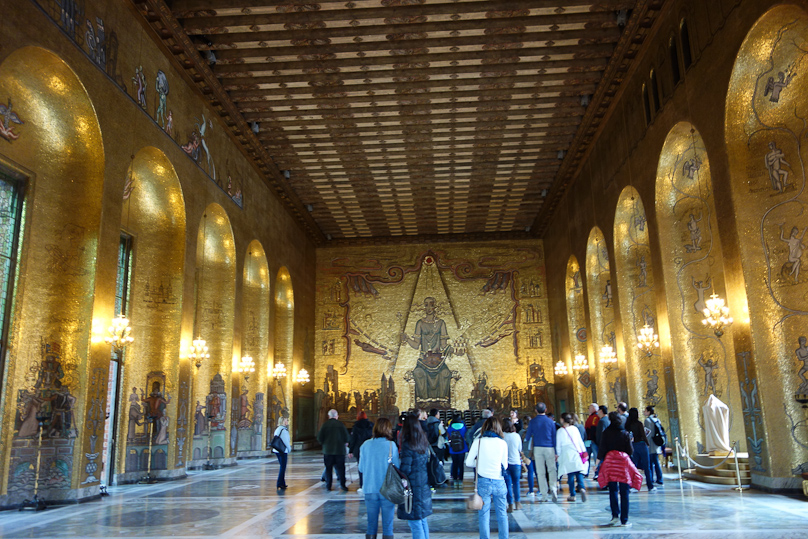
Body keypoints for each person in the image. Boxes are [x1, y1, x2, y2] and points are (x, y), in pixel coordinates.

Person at [466, 416, 509, 539]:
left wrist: (479, 463)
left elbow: (468, 462)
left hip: (483, 481)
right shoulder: (502, 443)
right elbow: (505, 465)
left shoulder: (478, 441)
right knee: (502, 514)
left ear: (484, 427)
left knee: (484, 514)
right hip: (499, 481)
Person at [597, 411, 642, 527]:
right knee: (624, 492)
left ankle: (615, 516)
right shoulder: (624, 433)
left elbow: (602, 448)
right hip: (622, 464)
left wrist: (597, 462)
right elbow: (630, 451)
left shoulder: (606, 433)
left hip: (610, 464)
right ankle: (624, 520)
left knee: (612, 491)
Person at [358, 417, 399, 539]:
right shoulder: (391, 446)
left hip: (370, 488)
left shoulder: (365, 445)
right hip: (388, 489)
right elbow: (397, 467)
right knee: (388, 525)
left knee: (371, 524)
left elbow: (361, 468)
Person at [398, 412, 433, 539]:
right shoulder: (423, 441)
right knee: (422, 519)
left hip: (413, 488)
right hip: (423, 484)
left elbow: (406, 469)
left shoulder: (408, 444)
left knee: (415, 522)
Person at [524, 402, 557, 502]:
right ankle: (554, 489)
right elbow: (554, 436)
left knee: (540, 472)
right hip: (550, 447)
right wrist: (556, 451)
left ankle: (544, 495)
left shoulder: (533, 422)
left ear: (536, 410)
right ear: (546, 410)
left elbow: (527, 436)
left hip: (538, 448)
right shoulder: (550, 421)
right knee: (552, 469)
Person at [556, 413, 587, 502]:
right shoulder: (574, 429)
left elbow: (558, 446)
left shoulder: (560, 431)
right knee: (578, 471)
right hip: (576, 451)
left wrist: (558, 455)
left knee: (570, 474)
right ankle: (582, 488)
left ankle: (572, 495)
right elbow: (580, 441)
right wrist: (584, 451)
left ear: (562, 420)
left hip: (566, 453)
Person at [317, 409, 350, 491]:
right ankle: (343, 485)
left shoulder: (325, 425)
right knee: (341, 469)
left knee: (328, 469)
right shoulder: (340, 424)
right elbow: (347, 437)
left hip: (328, 451)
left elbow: (319, 438)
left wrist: (324, 445)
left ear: (329, 416)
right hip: (339, 451)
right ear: (336, 416)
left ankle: (328, 485)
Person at [626, 408, 655, 492]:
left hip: (633, 446)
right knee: (647, 467)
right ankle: (650, 485)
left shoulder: (627, 425)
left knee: (633, 467)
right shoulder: (639, 424)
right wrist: (647, 443)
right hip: (642, 445)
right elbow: (643, 435)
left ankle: (632, 485)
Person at [349, 411, 374, 493]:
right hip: (370, 448)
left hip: (359, 449)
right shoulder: (371, 425)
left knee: (361, 467)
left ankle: (362, 485)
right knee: (370, 467)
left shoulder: (356, 426)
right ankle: (371, 484)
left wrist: (350, 450)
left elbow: (353, 439)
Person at [501, 418, 523, 511]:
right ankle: (518, 503)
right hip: (516, 462)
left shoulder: (502, 436)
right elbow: (520, 449)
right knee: (516, 483)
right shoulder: (517, 436)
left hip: (506, 463)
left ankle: (510, 505)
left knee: (508, 485)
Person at [644, 406, 664, 486]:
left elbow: (648, 433)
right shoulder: (657, 419)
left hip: (651, 443)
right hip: (657, 443)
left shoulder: (647, 420)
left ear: (648, 412)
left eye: (645, 411)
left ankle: (651, 478)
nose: (644, 412)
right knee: (656, 462)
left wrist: (646, 443)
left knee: (651, 462)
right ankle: (659, 478)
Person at [446, 413, 468, 486]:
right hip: (462, 448)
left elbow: (448, 435)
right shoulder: (463, 427)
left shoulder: (450, 427)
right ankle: (461, 479)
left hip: (453, 448)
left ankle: (455, 479)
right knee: (461, 464)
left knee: (454, 463)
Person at [272, 417, 291, 490]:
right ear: (283, 421)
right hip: (282, 451)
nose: (287, 421)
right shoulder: (283, 430)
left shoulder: (278, 429)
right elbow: (286, 441)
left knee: (282, 466)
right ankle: (279, 483)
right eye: (286, 420)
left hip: (277, 450)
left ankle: (282, 483)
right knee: (283, 467)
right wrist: (289, 449)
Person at [521, 414, 537, 499]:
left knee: (530, 472)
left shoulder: (522, 432)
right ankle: (540, 490)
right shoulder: (535, 431)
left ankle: (531, 490)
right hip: (535, 453)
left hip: (526, 454)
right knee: (537, 472)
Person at [594, 405, 610, 480]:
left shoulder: (602, 421)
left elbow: (601, 435)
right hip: (608, 446)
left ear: (601, 411)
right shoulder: (608, 420)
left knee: (602, 464)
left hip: (603, 446)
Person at [584, 403, 600, 475]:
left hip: (593, 440)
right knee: (587, 456)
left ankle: (597, 473)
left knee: (596, 457)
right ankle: (586, 472)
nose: (589, 409)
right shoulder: (591, 416)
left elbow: (593, 428)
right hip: (589, 440)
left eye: (590, 407)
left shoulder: (595, 417)